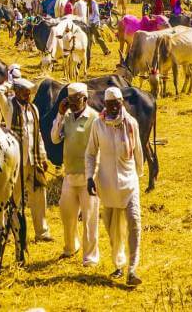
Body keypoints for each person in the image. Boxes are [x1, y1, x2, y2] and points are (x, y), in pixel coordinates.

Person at [86, 87, 144, 286]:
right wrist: (89, 177)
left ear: (122, 103)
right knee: (112, 228)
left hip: (129, 182)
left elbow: (138, 151)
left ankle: (133, 269)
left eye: (116, 104)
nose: (112, 108)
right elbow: (91, 153)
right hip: (107, 184)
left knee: (134, 223)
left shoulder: (131, 124)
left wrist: (139, 175)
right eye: (109, 104)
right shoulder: (98, 125)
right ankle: (119, 264)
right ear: (105, 104)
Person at [51, 83, 100, 265]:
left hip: (89, 177)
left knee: (90, 218)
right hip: (70, 175)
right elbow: (55, 138)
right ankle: (70, 247)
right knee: (67, 213)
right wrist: (60, 114)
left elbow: (99, 147)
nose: (72, 103)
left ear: (85, 99)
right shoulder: (68, 117)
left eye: (76, 99)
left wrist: (95, 176)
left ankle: (90, 257)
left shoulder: (94, 118)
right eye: (69, 100)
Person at [7, 77, 52, 242]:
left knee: (39, 196)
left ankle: (42, 232)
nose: (28, 96)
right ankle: (10, 231)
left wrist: (43, 156)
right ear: (17, 92)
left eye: (29, 93)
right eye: (25, 93)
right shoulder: (9, 108)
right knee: (14, 197)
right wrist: (9, 84)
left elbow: (37, 134)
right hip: (17, 160)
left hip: (34, 159)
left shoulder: (33, 109)